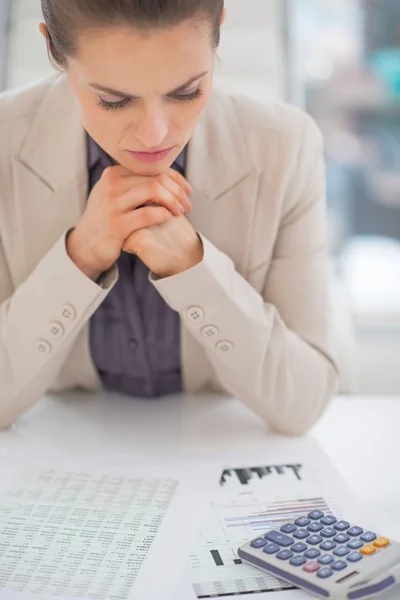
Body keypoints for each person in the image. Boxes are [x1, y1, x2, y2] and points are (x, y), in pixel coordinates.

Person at [0, 0, 339, 434]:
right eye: (113, 100)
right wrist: (79, 257)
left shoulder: (285, 148)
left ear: (219, 25)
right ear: (52, 47)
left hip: (215, 450)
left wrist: (194, 268)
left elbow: (302, 403)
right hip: (64, 447)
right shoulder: (6, 143)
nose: (155, 134)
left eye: (186, 92)